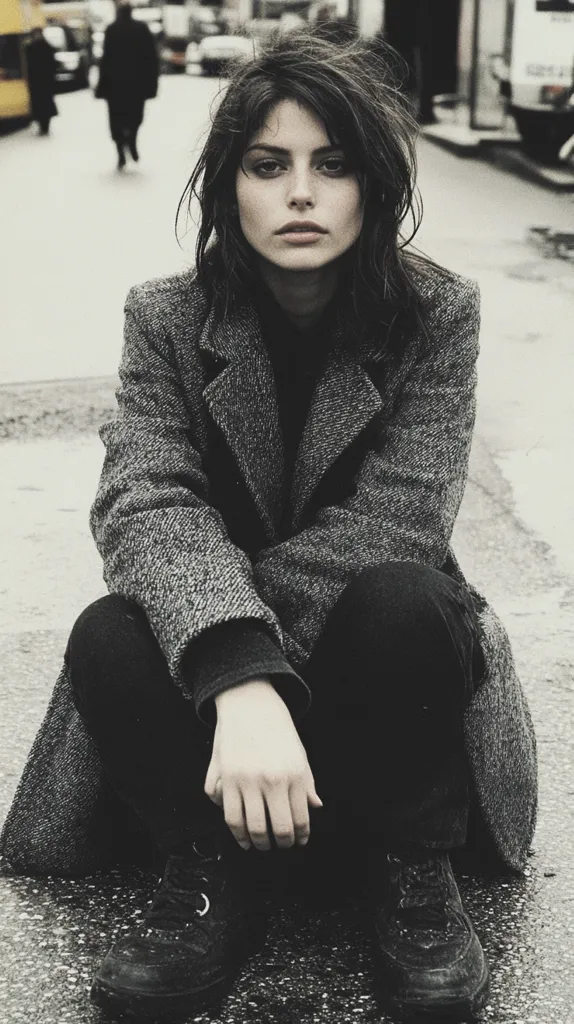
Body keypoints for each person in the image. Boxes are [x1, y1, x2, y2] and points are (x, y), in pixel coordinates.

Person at [0, 31, 537, 1024]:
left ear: (372, 186)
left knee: (403, 596)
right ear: (227, 188)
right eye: (268, 164)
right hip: (222, 740)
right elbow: (144, 499)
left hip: (376, 685)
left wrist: (240, 666)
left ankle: (407, 863)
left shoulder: (434, 314)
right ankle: (214, 868)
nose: (301, 193)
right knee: (109, 632)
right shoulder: (166, 318)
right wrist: (235, 674)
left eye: (332, 165)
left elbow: (397, 521)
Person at [95, 0, 158, 170]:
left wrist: (101, 87)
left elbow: (105, 60)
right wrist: (152, 85)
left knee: (116, 119)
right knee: (135, 117)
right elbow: (151, 59)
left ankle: (120, 152)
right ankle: (131, 140)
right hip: (137, 86)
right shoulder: (141, 29)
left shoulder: (111, 29)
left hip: (114, 87)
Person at [25, 27, 58, 136]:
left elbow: (52, 64)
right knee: (39, 105)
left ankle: (45, 126)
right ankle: (42, 125)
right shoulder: (31, 47)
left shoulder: (44, 47)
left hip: (44, 82)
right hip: (37, 82)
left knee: (44, 105)